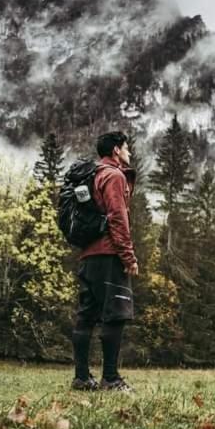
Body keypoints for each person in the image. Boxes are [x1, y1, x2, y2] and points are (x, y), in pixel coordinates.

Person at [71, 131, 140, 392]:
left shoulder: (91, 176)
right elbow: (117, 218)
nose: (129, 153)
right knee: (115, 314)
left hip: (88, 255)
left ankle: (81, 378)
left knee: (86, 315)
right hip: (109, 254)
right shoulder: (113, 176)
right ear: (115, 151)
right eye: (126, 148)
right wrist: (128, 256)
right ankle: (110, 379)